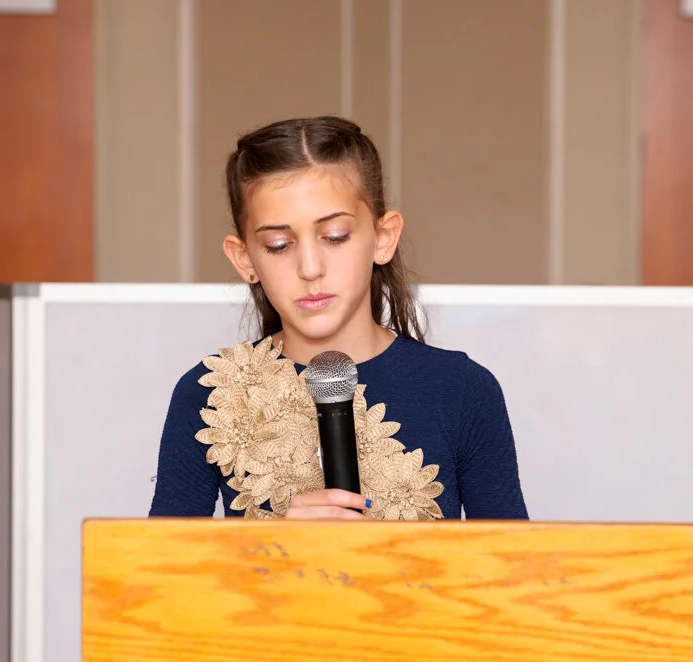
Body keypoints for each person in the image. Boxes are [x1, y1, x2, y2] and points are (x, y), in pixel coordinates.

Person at [149, 116, 527, 521]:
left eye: (335, 237)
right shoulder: (207, 395)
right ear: (245, 259)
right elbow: (161, 561)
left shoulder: (463, 390)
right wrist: (275, 545)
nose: (310, 268)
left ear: (384, 238)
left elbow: (512, 560)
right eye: (278, 245)